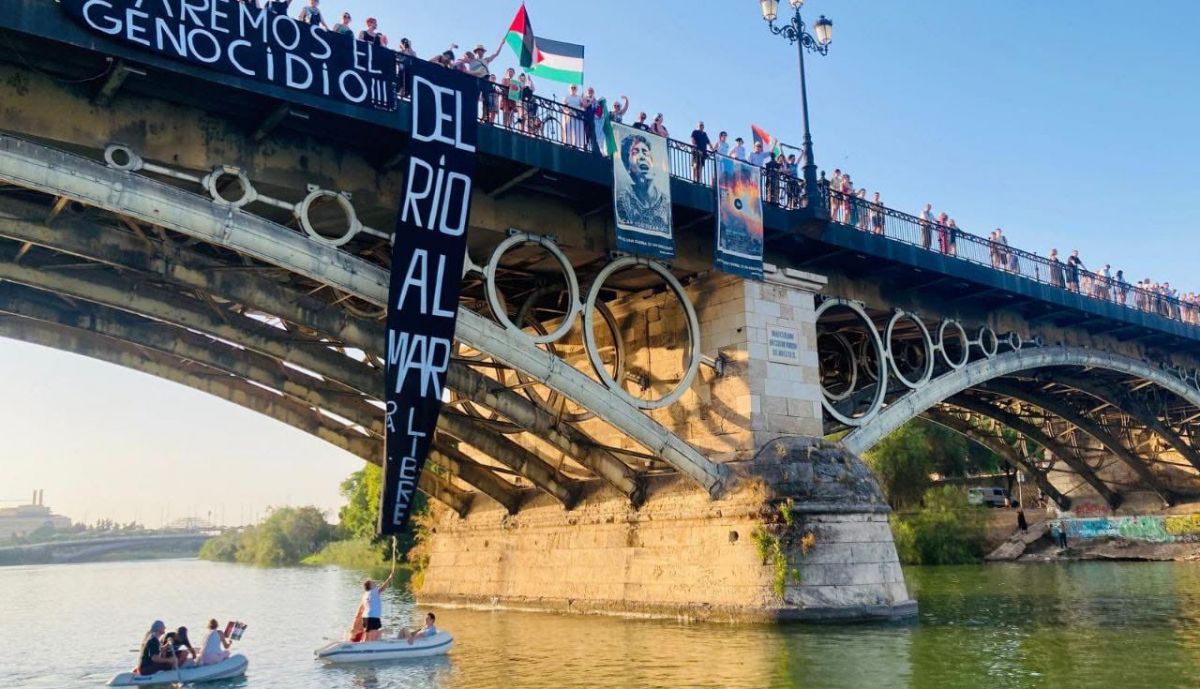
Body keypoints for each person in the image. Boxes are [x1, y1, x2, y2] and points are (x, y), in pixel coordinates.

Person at [615, 133, 670, 234]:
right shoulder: (621, 200)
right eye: (635, 153)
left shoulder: (666, 203)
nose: (642, 157)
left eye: (645, 152)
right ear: (627, 166)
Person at [358, 571, 394, 641]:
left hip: (365, 617)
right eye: (373, 583)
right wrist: (389, 578)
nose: (374, 583)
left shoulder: (365, 594)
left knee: (367, 635)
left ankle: (363, 647)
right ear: (370, 586)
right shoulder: (373, 591)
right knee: (374, 635)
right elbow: (382, 588)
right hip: (373, 617)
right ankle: (370, 648)